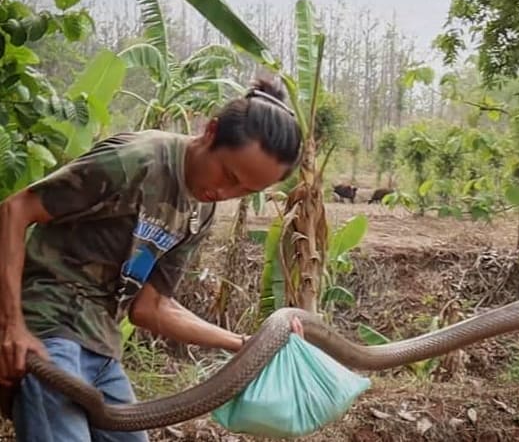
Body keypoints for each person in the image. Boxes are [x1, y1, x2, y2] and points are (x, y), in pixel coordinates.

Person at [0, 77, 305, 441]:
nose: (224, 192)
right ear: (210, 132)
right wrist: (11, 326)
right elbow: (16, 210)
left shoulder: (201, 212)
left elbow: (151, 308)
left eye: (245, 190)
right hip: (49, 328)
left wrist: (245, 343)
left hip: (101, 346)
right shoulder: (137, 162)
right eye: (228, 174)